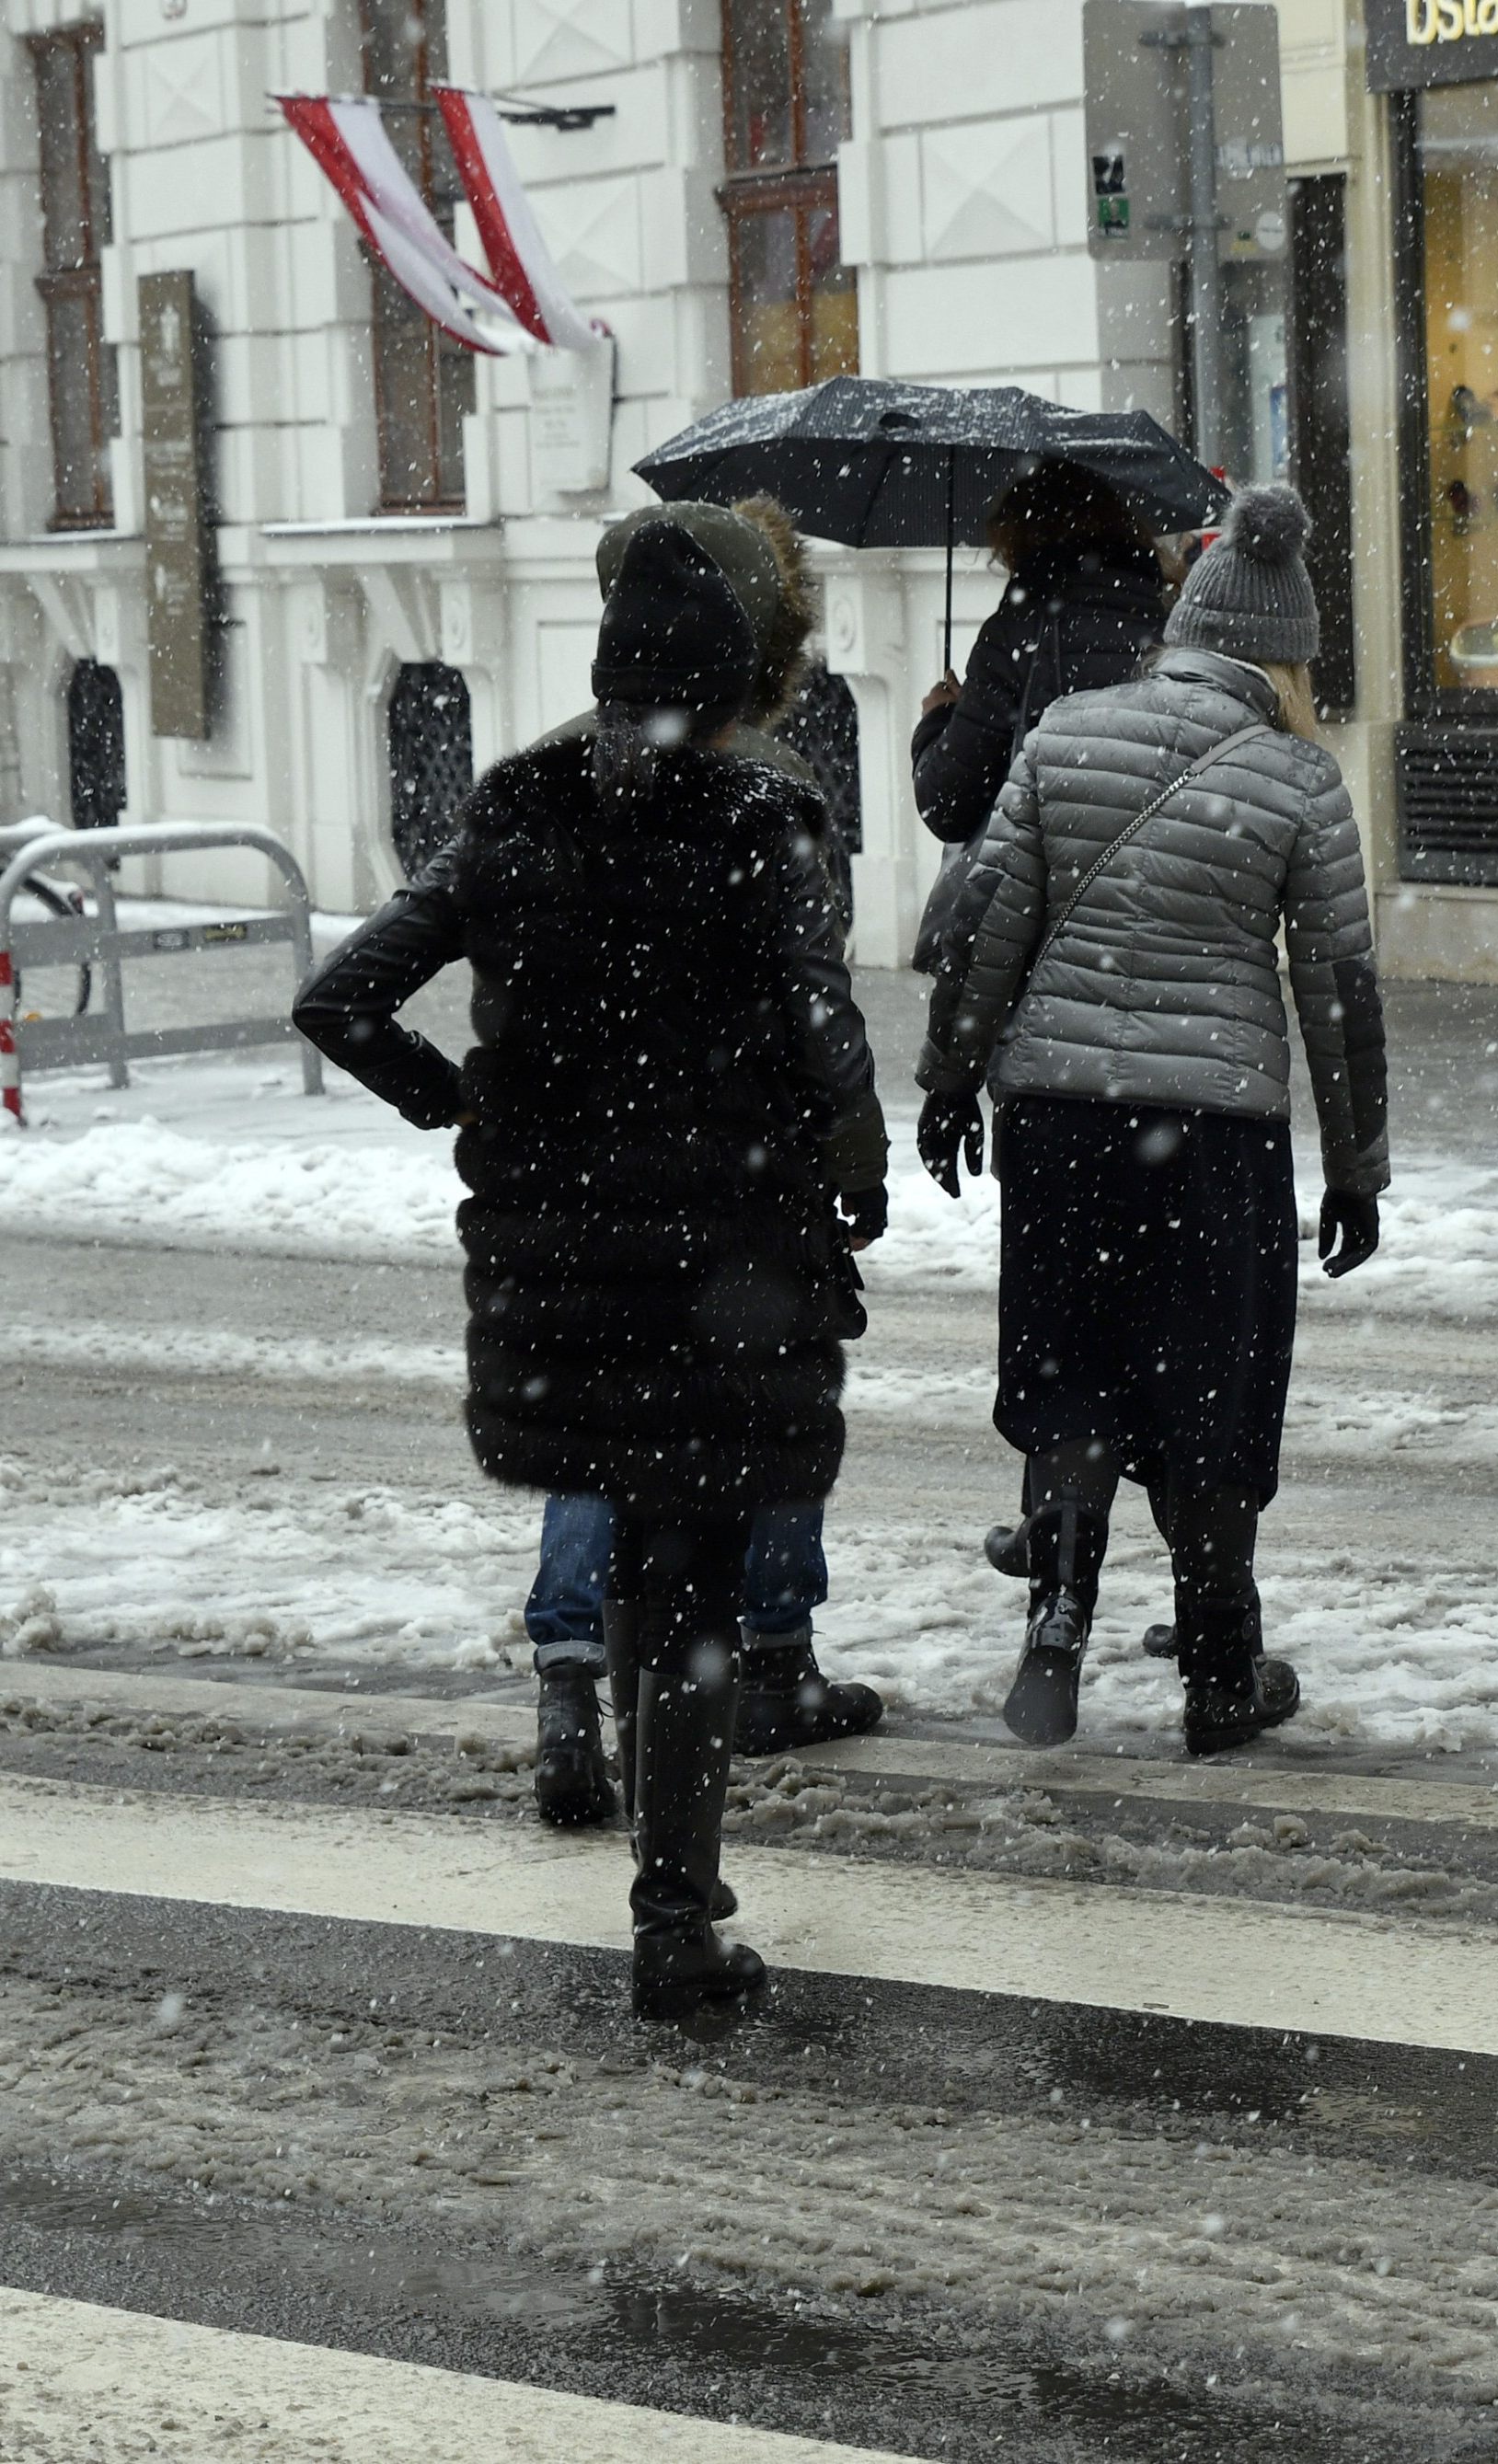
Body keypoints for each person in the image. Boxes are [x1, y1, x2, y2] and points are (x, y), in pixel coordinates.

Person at [295, 522, 887, 2033]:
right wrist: (850, 1187)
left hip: (562, 1262)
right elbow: (828, 1045)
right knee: (691, 1574)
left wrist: (459, 1100)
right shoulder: (766, 821)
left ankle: (660, 1866)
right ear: (734, 673)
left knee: (636, 1559)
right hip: (722, 1259)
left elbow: (342, 995)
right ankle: (674, 1913)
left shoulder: (517, 806)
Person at [913, 484, 1385, 1756]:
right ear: (1285, 655)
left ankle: (1055, 1631)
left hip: (1059, 1121)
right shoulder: (1297, 778)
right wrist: (1356, 1169)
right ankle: (1219, 1666)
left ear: (1181, 621)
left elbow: (990, 922)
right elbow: (1338, 988)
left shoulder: (1062, 731)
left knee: (1070, 1375)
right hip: (1214, 1135)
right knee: (1211, 1393)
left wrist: (949, 1078)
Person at [518, 500, 884, 1830]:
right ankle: (771, 1655)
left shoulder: (546, 776)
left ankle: (569, 1684)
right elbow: (815, 1008)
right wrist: (853, 1158)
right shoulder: (771, 786)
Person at [907, 462, 1170, 971]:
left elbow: (948, 803)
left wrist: (938, 720)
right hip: (1152, 911)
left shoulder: (1017, 630)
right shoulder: (1169, 621)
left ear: (1022, 538)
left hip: (1041, 920)